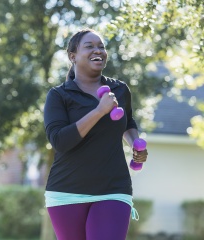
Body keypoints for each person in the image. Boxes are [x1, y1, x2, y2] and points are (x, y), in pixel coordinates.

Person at [43, 28, 148, 240]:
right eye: (89, 46)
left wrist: (135, 142)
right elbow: (60, 141)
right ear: (73, 56)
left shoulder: (119, 90)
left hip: (113, 188)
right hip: (67, 191)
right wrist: (99, 111)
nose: (97, 50)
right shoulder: (59, 95)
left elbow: (128, 121)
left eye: (101, 46)